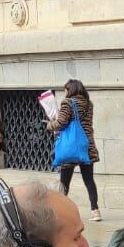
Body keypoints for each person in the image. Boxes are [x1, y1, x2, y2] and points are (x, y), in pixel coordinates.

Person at [47, 79, 102, 222]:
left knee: (64, 182)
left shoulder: (68, 103)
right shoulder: (89, 104)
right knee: (89, 180)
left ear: (70, 90)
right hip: (86, 147)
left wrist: (50, 125)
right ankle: (95, 211)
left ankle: (60, 212)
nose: (64, 92)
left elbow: (61, 123)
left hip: (69, 148)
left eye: (65, 89)